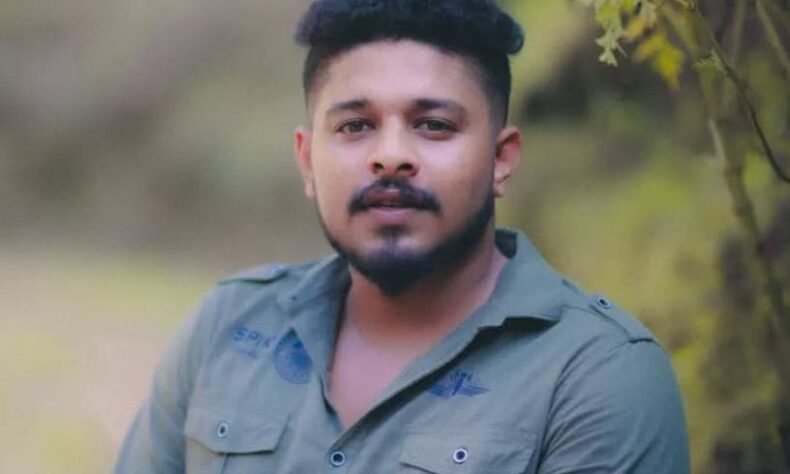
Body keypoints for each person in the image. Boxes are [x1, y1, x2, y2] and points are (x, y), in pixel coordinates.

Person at [114, 0, 690, 472]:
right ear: (307, 160)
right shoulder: (229, 328)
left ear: (501, 159)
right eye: (355, 126)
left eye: (433, 125)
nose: (390, 156)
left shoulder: (595, 378)